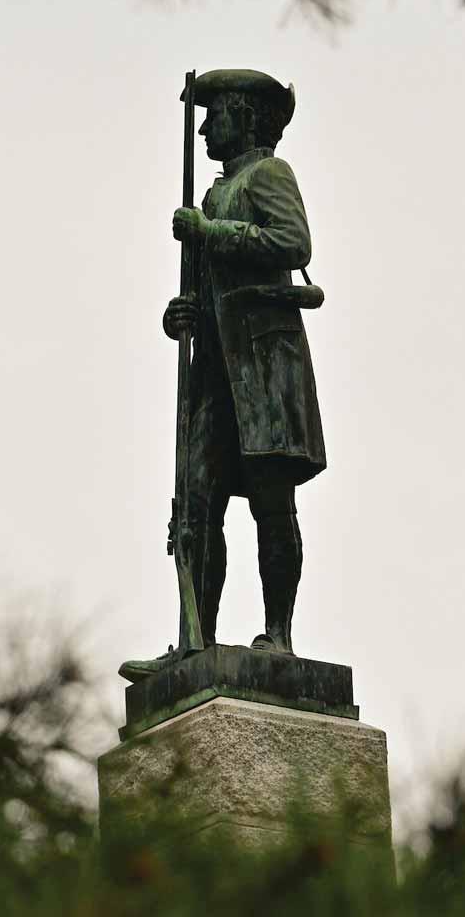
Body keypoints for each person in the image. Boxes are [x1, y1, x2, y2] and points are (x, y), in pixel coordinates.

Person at [121, 68, 327, 682]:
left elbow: (293, 243)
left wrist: (211, 232)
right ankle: (195, 638)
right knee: (195, 503)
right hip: (213, 369)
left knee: (270, 501)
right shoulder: (212, 196)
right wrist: (180, 313)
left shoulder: (269, 175)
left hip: (263, 367)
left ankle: (279, 636)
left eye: (216, 115)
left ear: (245, 116)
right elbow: (202, 288)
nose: (206, 128)